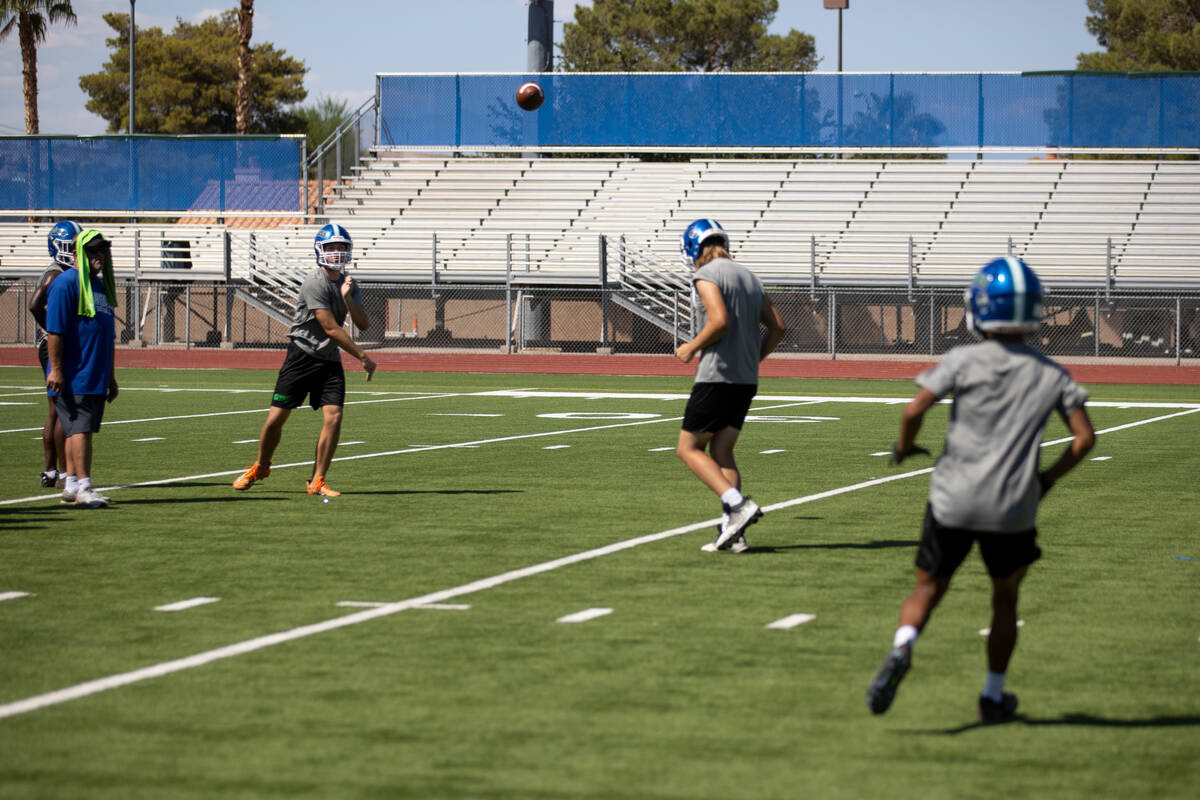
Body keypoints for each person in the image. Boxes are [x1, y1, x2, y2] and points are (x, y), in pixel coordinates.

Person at [866, 256, 1095, 723]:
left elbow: (914, 411)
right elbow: (1084, 439)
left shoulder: (962, 359)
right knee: (1005, 599)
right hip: (1012, 508)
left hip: (953, 499)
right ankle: (992, 697)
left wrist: (905, 447)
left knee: (927, 587)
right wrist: (1045, 481)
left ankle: (902, 647)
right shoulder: (1051, 372)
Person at [233, 224, 376, 498]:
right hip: (301, 356)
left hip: (329, 359)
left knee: (334, 417)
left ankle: (317, 480)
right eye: (331, 247)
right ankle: (261, 466)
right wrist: (362, 356)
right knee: (275, 420)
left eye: (341, 247)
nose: (336, 252)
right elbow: (330, 327)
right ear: (320, 250)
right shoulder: (314, 282)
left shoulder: (348, 284)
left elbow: (363, 323)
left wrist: (348, 298)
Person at [673, 218, 786, 553]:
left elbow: (719, 320)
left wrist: (691, 347)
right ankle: (733, 531)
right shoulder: (749, 276)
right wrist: (755, 358)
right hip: (745, 379)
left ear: (694, 247)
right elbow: (778, 326)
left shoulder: (706, 274)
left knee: (688, 448)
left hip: (716, 375)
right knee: (723, 451)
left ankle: (737, 506)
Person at [44, 229, 120, 509]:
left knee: (76, 429)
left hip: (94, 374)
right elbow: (55, 331)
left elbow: (107, 335)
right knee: (81, 430)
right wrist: (56, 369)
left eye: (103, 251)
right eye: (93, 251)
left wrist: (109, 376)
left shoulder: (98, 286)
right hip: (76, 373)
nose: (99, 256)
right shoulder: (67, 284)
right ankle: (85, 485)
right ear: (79, 254)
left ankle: (72, 484)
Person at [29, 220, 81, 489]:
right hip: (52, 346)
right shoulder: (56, 274)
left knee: (53, 411)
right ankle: (63, 473)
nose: (74, 251)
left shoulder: (60, 272)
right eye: (70, 246)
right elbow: (34, 304)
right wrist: (54, 327)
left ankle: (50, 471)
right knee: (61, 411)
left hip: (49, 345)